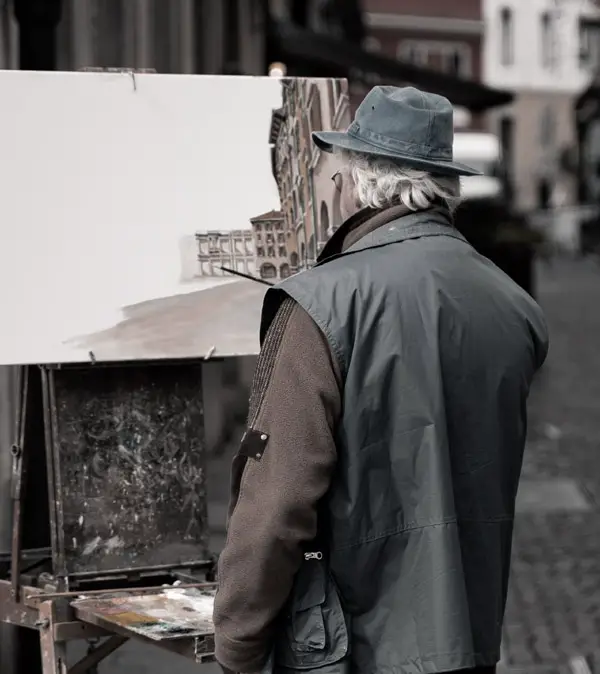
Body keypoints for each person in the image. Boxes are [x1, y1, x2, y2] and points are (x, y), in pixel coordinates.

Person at [213, 86, 549, 674]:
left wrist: (237, 641)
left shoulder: (323, 302)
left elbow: (277, 501)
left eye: (333, 171)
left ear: (354, 181)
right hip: (469, 636)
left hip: (350, 646)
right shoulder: (512, 303)